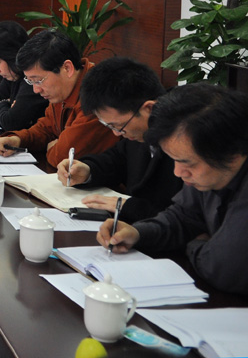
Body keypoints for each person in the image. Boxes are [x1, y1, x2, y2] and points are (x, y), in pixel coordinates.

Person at [98, 83, 248, 296]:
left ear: (233, 154)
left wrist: (194, 243)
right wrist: (138, 233)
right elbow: (182, 217)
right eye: (173, 160)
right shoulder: (209, 173)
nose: (178, 172)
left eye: (187, 163)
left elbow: (223, 269)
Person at [57, 57, 179, 223]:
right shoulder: (139, 128)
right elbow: (117, 160)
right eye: (109, 126)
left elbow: (187, 216)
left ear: (149, 108)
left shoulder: (184, 139)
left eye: (119, 126)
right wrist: (87, 171)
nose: (116, 134)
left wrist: (128, 207)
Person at [0, 30, 115, 166]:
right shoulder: (62, 91)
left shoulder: (98, 95)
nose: (36, 90)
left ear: (67, 68)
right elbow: (47, 128)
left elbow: (63, 157)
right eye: (30, 81)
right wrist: (18, 139)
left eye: (38, 80)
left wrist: (53, 147)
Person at [0, 21, 46, 131]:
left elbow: (10, 122)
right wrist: (7, 105)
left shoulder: (32, 80)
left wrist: (2, 103)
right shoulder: (12, 76)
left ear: (12, 56)